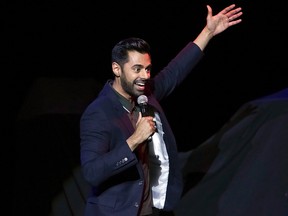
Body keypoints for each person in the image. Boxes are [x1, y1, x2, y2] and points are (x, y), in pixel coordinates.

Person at [80, 4, 243, 216]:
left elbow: (175, 70)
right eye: (137, 69)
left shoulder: (145, 93)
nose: (145, 76)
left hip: (152, 210)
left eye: (147, 69)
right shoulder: (98, 113)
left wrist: (208, 32)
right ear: (116, 69)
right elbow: (92, 173)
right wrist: (134, 140)